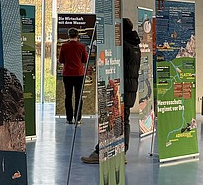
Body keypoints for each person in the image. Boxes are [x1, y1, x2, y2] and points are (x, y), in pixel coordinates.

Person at [82, 18, 142, 163]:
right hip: (130, 88)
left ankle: (102, 151)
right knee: (124, 119)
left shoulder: (124, 46)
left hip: (120, 89)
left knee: (112, 118)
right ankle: (122, 152)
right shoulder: (135, 46)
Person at [59, 28, 88, 124]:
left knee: (68, 96)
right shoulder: (81, 46)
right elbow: (85, 60)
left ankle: (69, 118)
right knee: (78, 96)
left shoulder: (64, 46)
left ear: (68, 35)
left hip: (67, 74)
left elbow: (61, 60)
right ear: (77, 36)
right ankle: (78, 118)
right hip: (79, 74)